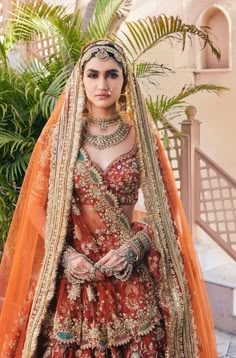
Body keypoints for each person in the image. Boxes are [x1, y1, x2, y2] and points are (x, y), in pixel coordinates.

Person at [0, 39, 217, 357]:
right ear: (81, 79)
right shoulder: (60, 137)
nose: (102, 84)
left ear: (125, 80)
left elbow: (168, 208)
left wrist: (134, 248)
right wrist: (65, 256)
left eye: (112, 74)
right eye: (93, 74)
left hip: (129, 272)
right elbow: (35, 203)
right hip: (75, 274)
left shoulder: (141, 135)